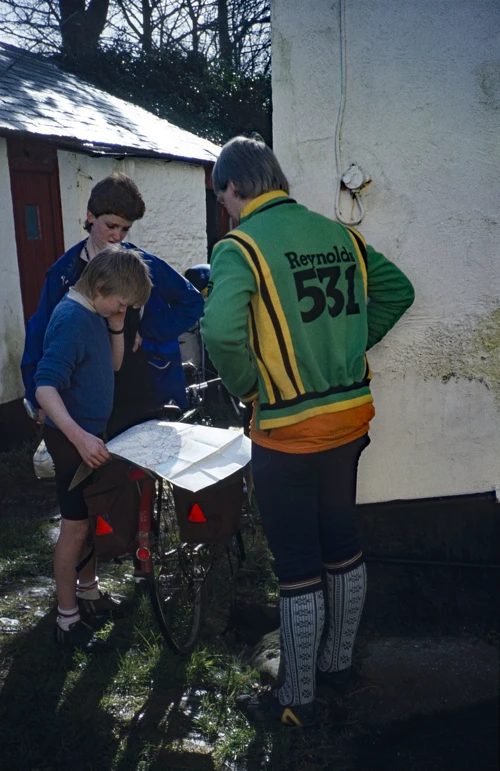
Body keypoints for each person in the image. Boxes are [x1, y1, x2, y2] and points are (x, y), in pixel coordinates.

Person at [200, 135, 415, 726]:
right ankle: (339, 668)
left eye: (225, 199)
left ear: (236, 189)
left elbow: (220, 335)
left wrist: (249, 387)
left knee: (296, 564)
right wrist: (347, 347)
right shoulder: (339, 234)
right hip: (348, 422)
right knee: (341, 544)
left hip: (287, 433)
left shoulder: (239, 246)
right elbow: (398, 290)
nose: (227, 210)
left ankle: (295, 700)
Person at [22, 172, 205, 437]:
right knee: (95, 466)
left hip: (135, 381)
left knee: (139, 462)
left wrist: (146, 330)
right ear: (91, 216)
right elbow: (39, 334)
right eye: (110, 226)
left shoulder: (143, 265)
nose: (117, 235)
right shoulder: (63, 273)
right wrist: (37, 397)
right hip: (83, 388)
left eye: (125, 229)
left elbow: (191, 302)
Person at [35, 247, 152, 651]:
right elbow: (44, 385)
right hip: (73, 443)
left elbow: (114, 367)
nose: (123, 308)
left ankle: (88, 592)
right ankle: (67, 620)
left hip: (90, 438)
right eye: (121, 302)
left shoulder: (96, 314)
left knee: (92, 513)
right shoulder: (72, 320)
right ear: (100, 286)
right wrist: (78, 437)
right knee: (75, 527)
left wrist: (118, 325)